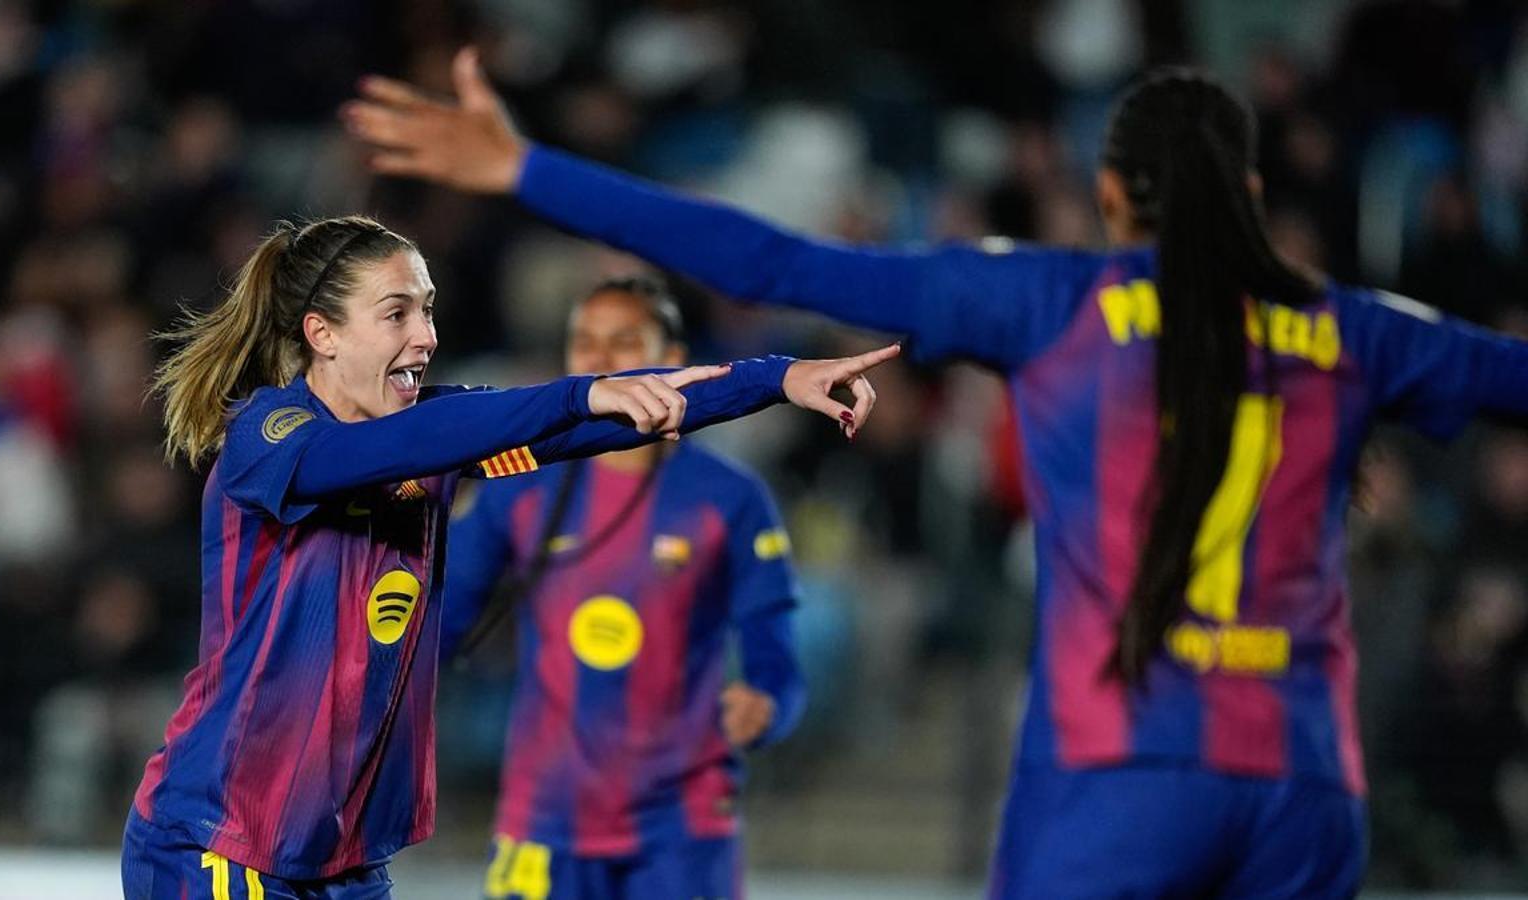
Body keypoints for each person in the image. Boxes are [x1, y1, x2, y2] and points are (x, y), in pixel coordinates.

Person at [343, 54, 1528, 897]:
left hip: (1119, 776)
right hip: (1307, 786)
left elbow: (771, 259)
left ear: (1111, 198)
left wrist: (533, 171)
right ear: (1256, 201)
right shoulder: (1363, 331)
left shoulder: (1053, 303)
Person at [122, 213, 896, 899]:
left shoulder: (441, 428)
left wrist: (777, 378)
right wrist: (574, 395)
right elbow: (402, 446)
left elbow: (618, 410)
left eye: (427, 309)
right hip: (220, 842)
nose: (424, 334)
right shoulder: (269, 437)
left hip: (341, 861)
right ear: (322, 334)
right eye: (396, 313)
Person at [441, 275, 804, 900]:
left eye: (623, 341)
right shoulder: (519, 482)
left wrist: (767, 702)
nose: (600, 361)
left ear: (672, 360)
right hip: (544, 819)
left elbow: (776, 651)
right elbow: (440, 622)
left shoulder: (730, 498)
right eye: (583, 343)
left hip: (683, 826)